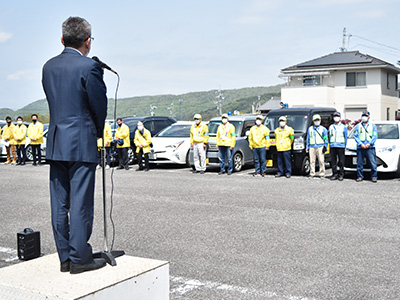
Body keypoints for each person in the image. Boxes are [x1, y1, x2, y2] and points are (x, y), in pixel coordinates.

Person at [42, 16, 107, 274]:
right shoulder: (88, 67)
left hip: (56, 140)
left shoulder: (48, 66)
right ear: (88, 42)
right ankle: (80, 257)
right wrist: (98, 133)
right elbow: (98, 107)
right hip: (81, 141)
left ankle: (65, 258)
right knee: (80, 202)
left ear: (62, 39)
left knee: (59, 203)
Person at [353, 110, 378, 183]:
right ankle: (360, 176)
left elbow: (375, 135)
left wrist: (369, 143)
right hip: (361, 147)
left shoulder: (372, 126)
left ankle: (374, 176)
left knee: (373, 163)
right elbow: (356, 136)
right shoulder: (358, 126)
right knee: (359, 163)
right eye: (363, 116)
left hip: (370, 147)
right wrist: (361, 144)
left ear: (368, 117)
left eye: (366, 116)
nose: (364, 117)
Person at [306, 114, 328, 178]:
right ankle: (312, 173)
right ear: (313, 121)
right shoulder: (310, 129)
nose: (316, 121)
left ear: (320, 120)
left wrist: (325, 146)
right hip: (312, 146)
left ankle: (322, 173)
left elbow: (326, 138)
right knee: (312, 161)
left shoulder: (323, 129)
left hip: (320, 146)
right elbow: (308, 138)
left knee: (321, 161)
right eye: (315, 120)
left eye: (318, 120)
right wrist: (307, 147)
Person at [328, 111, 347, 181]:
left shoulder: (343, 127)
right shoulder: (331, 127)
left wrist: (345, 145)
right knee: (333, 161)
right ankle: (334, 174)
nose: (336, 118)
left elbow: (345, 137)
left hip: (341, 146)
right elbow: (329, 136)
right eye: (335, 116)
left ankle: (341, 174)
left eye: (337, 116)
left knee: (341, 161)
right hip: (333, 145)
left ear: (340, 117)